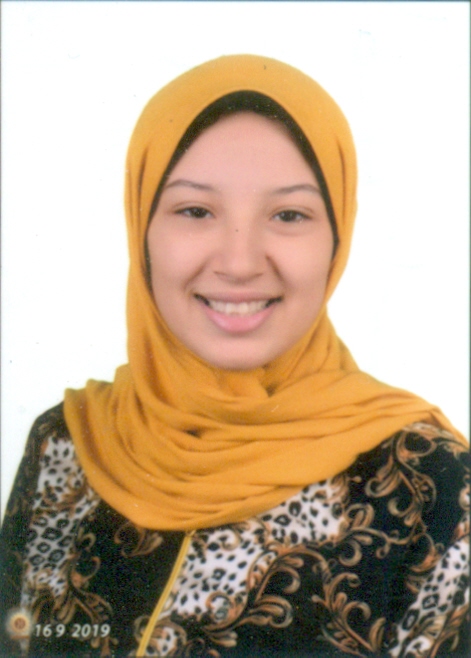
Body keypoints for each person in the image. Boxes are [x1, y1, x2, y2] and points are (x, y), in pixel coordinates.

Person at [0, 54, 468, 658]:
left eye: (289, 215)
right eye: (195, 211)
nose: (240, 263)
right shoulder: (68, 446)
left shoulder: (434, 488)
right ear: (141, 229)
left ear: (337, 239)